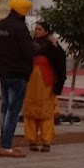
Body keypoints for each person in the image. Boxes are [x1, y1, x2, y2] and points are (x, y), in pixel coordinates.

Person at [0, 0, 36, 158]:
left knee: (5, 107)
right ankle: (6, 146)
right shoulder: (20, 28)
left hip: (3, 72)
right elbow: (28, 50)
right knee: (13, 110)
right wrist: (37, 46)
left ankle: (5, 143)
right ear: (23, 13)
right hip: (18, 73)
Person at [23, 21, 67, 152]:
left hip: (46, 84)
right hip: (30, 84)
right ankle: (32, 140)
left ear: (47, 31)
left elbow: (60, 62)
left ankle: (46, 141)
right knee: (30, 112)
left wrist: (57, 46)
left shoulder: (52, 45)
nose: (37, 31)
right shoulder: (30, 44)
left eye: (40, 29)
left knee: (45, 113)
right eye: (36, 29)